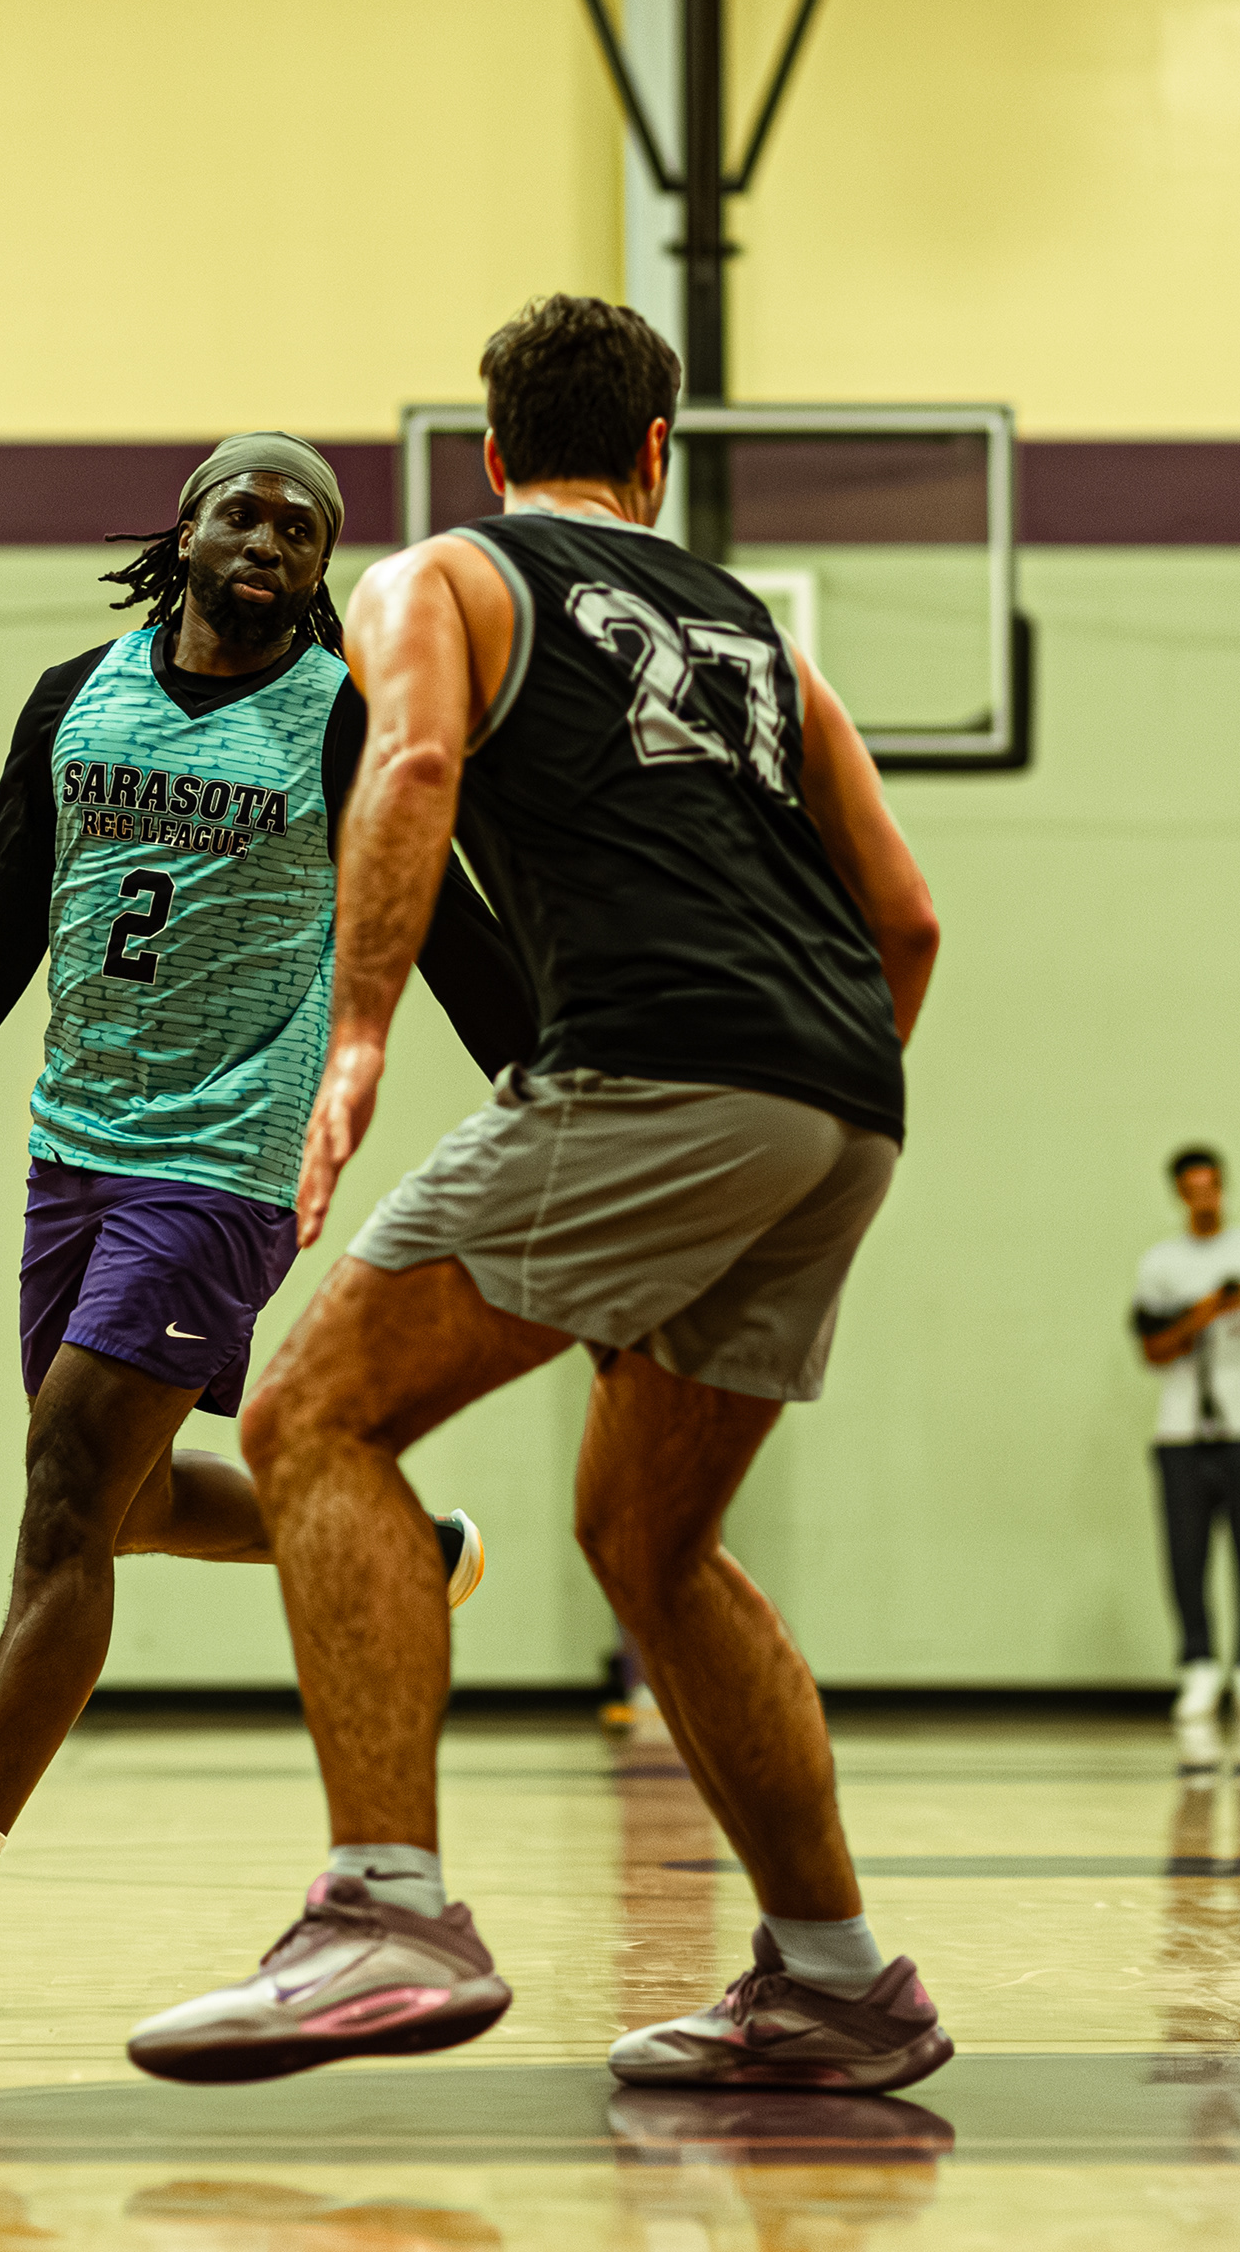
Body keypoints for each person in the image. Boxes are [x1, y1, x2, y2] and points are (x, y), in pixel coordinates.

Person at [126, 297, 952, 2093]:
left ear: (493, 452)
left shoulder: (445, 575)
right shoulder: (759, 634)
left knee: (311, 1420)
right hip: (843, 1097)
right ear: (656, 454)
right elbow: (907, 918)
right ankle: (836, 1979)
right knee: (652, 1543)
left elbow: (415, 762)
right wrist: (785, 1118)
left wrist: (359, 1034)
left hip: (655, 1062)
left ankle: (385, 1913)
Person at [0, 433, 535, 2014]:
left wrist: (568, 1094)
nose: (271, 542)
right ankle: (394, 1545)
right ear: (188, 529)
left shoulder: (345, 718)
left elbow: (450, 934)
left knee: (63, 1503)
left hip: (224, 1162)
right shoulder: (73, 702)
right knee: (129, 1502)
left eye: (304, 530)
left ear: (322, 569)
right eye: (246, 512)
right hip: (73, 1151)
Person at [1129, 1146, 1240, 1765]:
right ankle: (1198, 1663)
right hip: (1181, 1434)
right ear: (1180, 1193)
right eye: (1192, 1188)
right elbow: (1152, 1349)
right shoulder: (1161, 1264)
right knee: (1186, 1554)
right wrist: (1205, 1310)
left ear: (1223, 1188)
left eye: (1212, 1186)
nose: (1204, 1197)